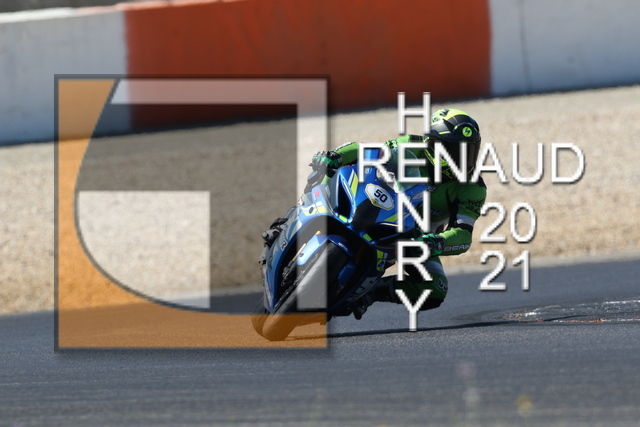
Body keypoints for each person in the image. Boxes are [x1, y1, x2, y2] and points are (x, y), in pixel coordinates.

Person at [261, 108, 487, 320]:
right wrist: (335, 156)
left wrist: (437, 242)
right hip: (379, 208)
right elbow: (365, 151)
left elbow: (463, 234)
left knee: (436, 289)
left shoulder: (473, 187)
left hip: (415, 238)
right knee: (325, 173)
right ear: (432, 145)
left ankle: (369, 293)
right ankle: (289, 220)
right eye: (454, 150)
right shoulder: (409, 146)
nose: (462, 158)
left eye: (469, 150)